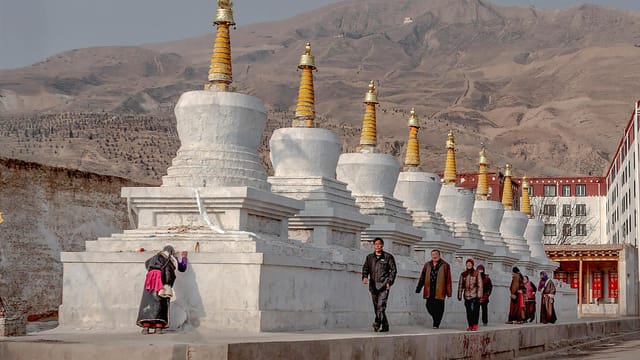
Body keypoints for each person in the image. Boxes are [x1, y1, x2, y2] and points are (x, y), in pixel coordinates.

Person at [136, 245, 188, 334]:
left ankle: (146, 328)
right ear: (171, 252)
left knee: (148, 303)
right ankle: (158, 328)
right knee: (161, 303)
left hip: (149, 282)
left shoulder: (154, 257)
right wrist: (184, 258)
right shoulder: (170, 258)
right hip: (162, 282)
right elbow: (182, 268)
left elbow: (147, 263)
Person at [362, 237, 397, 332]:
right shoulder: (369, 257)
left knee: (381, 305)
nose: (378, 246)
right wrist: (365, 277)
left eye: (379, 244)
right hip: (373, 285)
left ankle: (377, 322)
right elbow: (366, 268)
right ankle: (385, 325)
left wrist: (389, 282)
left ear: (382, 245)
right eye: (376, 244)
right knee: (376, 306)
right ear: (374, 246)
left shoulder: (388, 257)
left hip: (384, 285)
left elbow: (393, 271)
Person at [415, 249, 452, 329]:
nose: (434, 256)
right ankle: (436, 318)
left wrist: (449, 292)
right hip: (429, 289)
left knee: (439, 307)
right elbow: (423, 277)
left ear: (439, 255)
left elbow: (448, 280)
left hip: (440, 290)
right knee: (429, 306)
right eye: (433, 254)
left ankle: (436, 323)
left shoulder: (445, 265)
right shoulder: (427, 265)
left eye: (436, 254)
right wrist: (419, 288)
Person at [457, 258, 483, 331]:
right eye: (467, 264)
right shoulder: (463, 274)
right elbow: (460, 285)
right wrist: (459, 295)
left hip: (475, 295)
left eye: (470, 264)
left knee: (475, 311)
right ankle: (470, 325)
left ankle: (475, 324)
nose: (469, 265)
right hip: (466, 296)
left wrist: (479, 295)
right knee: (468, 311)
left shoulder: (476, 273)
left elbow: (480, 285)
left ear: (472, 265)